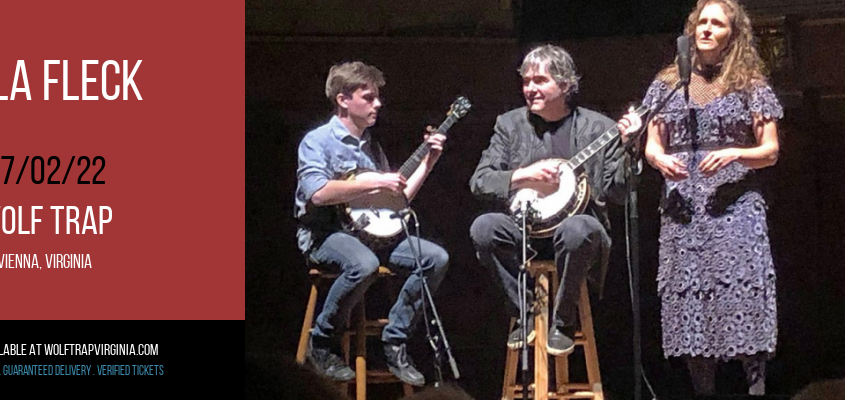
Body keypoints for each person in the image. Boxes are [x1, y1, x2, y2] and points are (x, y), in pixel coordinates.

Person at [641, 0, 782, 396]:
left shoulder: (750, 84)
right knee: (692, 307)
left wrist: (736, 153)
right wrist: (660, 160)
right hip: (684, 208)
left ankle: (756, 389)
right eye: (700, 22)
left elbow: (770, 151)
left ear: (732, 35)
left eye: (716, 24)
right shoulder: (669, 83)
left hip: (735, 206)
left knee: (743, 296)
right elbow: (652, 146)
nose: (705, 29)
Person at [469, 45, 641, 356]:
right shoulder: (509, 125)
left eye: (540, 81)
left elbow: (618, 192)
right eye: (526, 81)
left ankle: (563, 321)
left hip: (578, 235)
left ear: (565, 85)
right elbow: (479, 181)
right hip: (524, 231)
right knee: (484, 227)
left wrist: (630, 149)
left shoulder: (598, 128)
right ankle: (523, 310)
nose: (530, 88)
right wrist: (523, 175)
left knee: (576, 229)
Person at [295, 61, 450, 386]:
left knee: (435, 258)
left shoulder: (371, 147)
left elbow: (397, 197)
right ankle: (322, 341)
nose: (377, 104)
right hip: (327, 233)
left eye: (377, 97)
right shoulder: (317, 141)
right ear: (343, 99)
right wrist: (374, 182)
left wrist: (428, 161)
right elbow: (319, 194)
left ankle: (396, 339)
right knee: (362, 264)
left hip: (374, 237)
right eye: (368, 97)